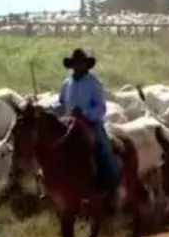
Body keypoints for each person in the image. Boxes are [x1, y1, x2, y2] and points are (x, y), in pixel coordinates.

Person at [50, 48, 121, 215]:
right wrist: (47, 109)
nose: (77, 67)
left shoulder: (94, 83)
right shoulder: (66, 83)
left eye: (80, 64)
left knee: (104, 148)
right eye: (74, 64)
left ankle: (112, 185)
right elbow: (61, 104)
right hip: (68, 123)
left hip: (90, 123)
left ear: (86, 65)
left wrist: (85, 113)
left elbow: (101, 107)